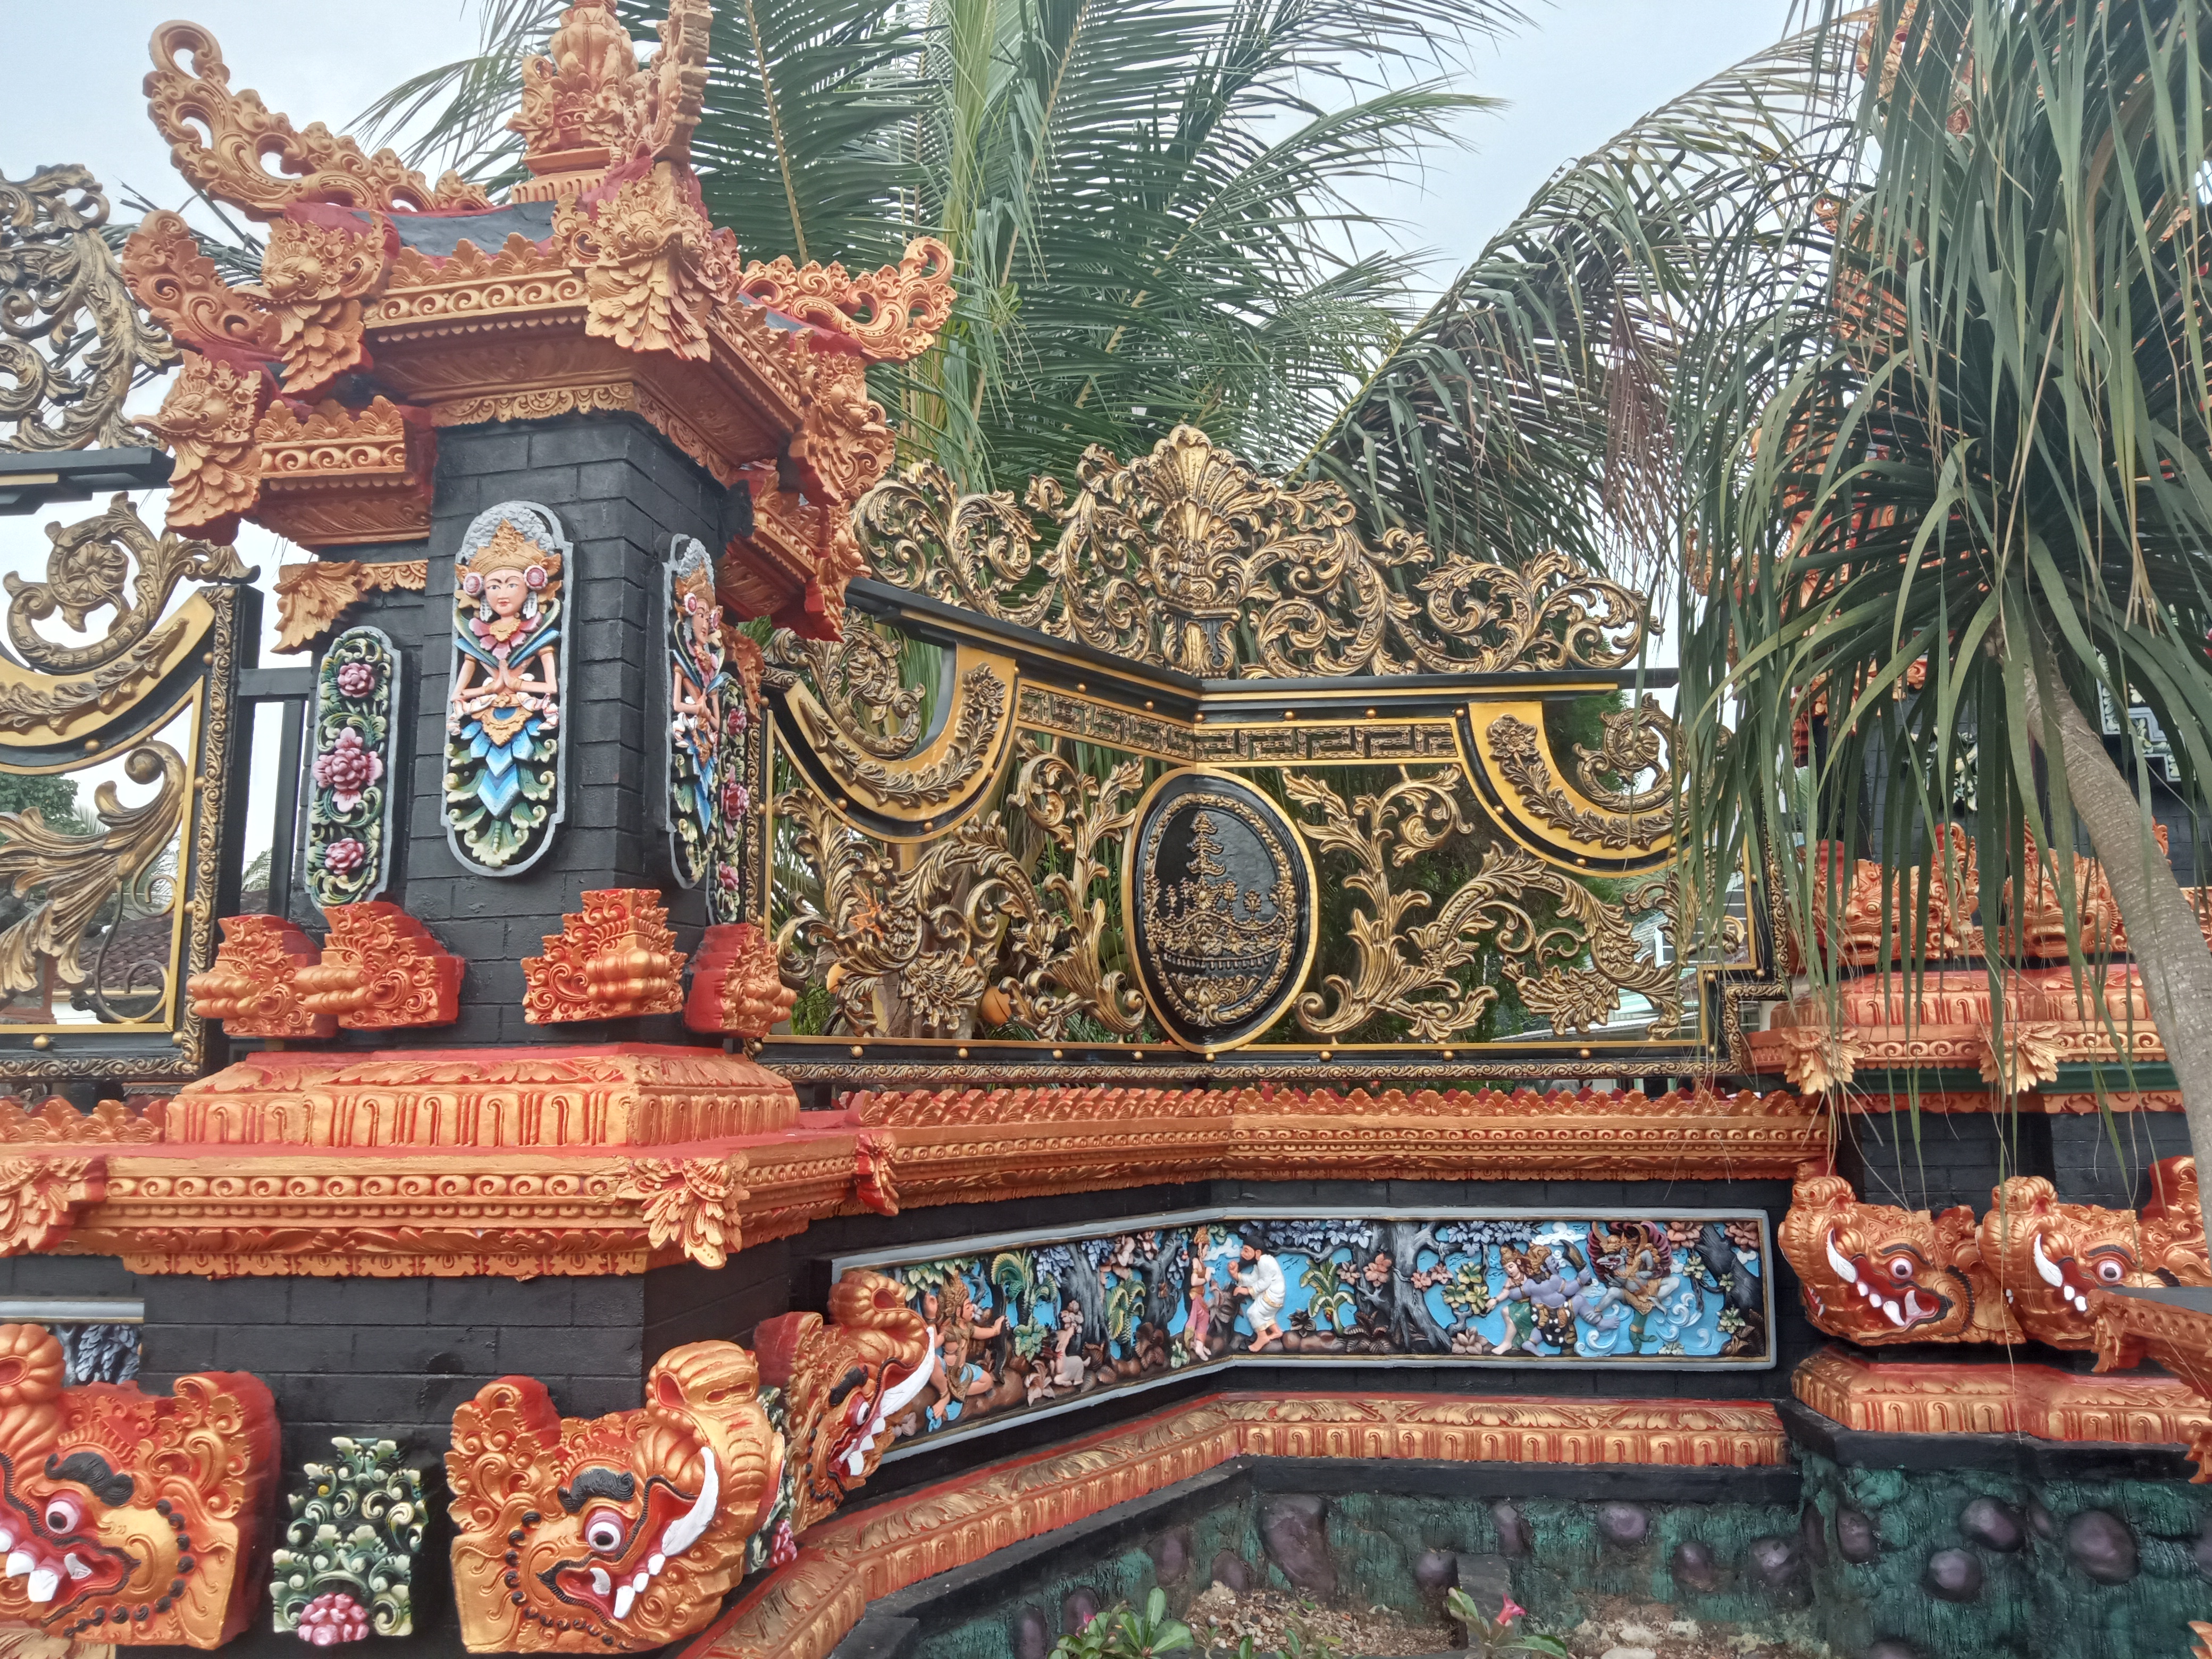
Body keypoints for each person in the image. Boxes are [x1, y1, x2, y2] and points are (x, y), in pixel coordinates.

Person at [1231, 1241, 1287, 1353]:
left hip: (1272, 1295)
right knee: (1266, 1314)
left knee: (1253, 1313)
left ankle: (1263, 1337)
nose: (1242, 1253)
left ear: (1257, 1252)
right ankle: (1276, 1332)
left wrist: (1247, 1291)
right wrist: (1236, 1276)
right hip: (1273, 1295)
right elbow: (1254, 1279)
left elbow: (1264, 1282)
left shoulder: (1264, 1262)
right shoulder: (1261, 1262)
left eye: (1246, 1251)